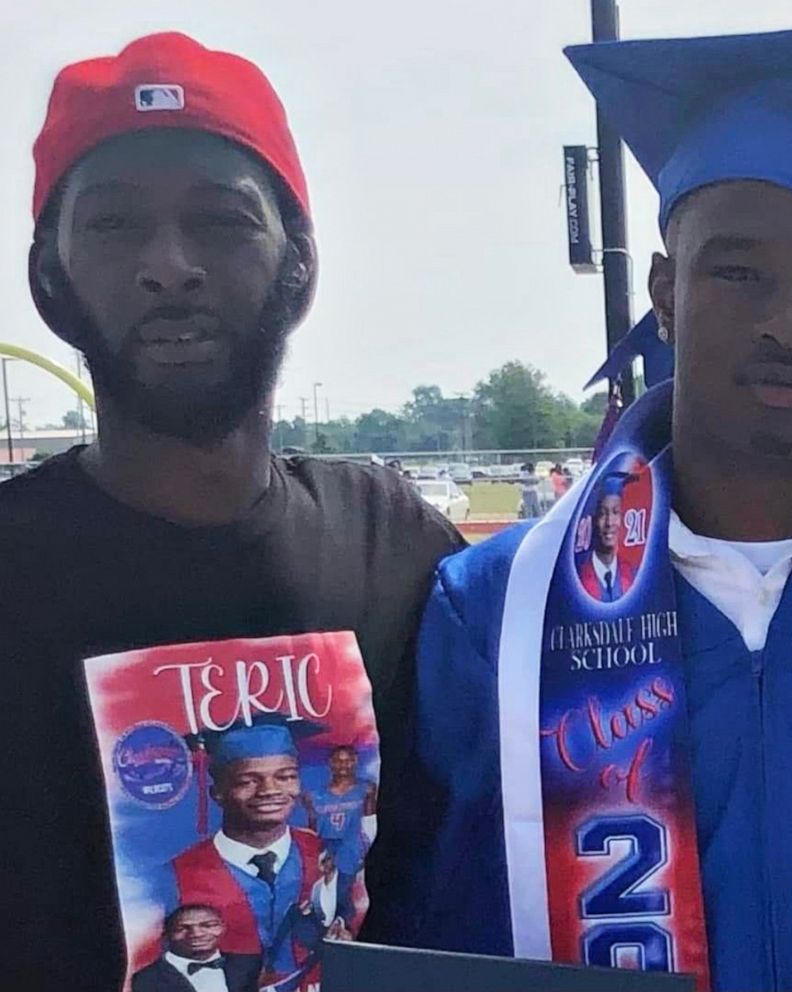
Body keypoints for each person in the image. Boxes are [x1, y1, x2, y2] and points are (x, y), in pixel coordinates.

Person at [398, 20, 792, 992]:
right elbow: (447, 924)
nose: (788, 321)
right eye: (736, 270)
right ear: (665, 291)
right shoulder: (496, 609)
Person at [0, 33, 463, 988]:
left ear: (299, 263)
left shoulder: (399, 549)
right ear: (50, 274)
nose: (170, 267)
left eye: (221, 221)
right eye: (116, 225)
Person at [165, 724, 322, 984]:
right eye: (248, 781)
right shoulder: (175, 875)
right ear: (218, 794)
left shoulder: (325, 852)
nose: (269, 790)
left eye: (286, 777)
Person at [302, 744, 377, 929]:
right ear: (331, 764)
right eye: (339, 761)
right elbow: (312, 830)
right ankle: (327, 920)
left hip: (353, 842)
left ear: (356, 761)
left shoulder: (366, 789)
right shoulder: (314, 796)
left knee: (344, 867)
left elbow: (370, 822)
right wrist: (316, 854)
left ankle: (340, 919)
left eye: (349, 760)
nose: (344, 765)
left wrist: (363, 849)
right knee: (319, 880)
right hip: (325, 843)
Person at [132, 905, 260, 992]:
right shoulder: (145, 978)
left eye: (208, 925)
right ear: (166, 935)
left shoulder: (250, 965)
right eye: (182, 929)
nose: (197, 934)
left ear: (223, 928)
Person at [576, 475, 636, 601]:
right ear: (593, 520)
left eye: (616, 512)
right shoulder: (578, 581)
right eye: (602, 513)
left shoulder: (633, 575)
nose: (609, 522)